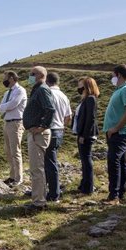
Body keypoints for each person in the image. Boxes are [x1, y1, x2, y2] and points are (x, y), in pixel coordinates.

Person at [103, 64, 126, 204]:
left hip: (121, 132)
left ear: (118, 75)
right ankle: (121, 192)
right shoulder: (122, 89)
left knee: (114, 161)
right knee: (121, 161)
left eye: (113, 75)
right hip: (117, 132)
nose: (112, 78)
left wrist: (116, 128)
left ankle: (114, 196)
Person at [22, 66, 55, 210]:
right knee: (36, 168)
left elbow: (50, 109)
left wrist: (42, 126)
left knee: (37, 168)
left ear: (40, 75)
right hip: (35, 133)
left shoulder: (42, 89)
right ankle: (38, 199)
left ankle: (39, 202)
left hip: (38, 134)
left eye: (32, 74)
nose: (29, 76)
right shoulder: (38, 89)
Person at [44, 72, 72, 202]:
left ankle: (54, 193)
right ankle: (51, 190)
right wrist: (62, 125)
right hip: (60, 129)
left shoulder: (48, 94)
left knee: (49, 162)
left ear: (47, 81)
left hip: (50, 129)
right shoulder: (63, 96)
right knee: (51, 160)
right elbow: (68, 117)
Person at [0, 71, 27, 186]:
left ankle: (19, 178)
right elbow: (1, 107)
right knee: (8, 151)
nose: (4, 80)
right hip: (7, 122)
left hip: (16, 123)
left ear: (11, 78)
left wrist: (4, 107)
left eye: (5, 78)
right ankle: (12, 175)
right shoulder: (7, 93)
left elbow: (12, 105)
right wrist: (4, 107)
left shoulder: (20, 90)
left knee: (15, 151)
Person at [74, 77, 99, 195]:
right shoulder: (85, 99)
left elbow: (90, 119)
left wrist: (84, 135)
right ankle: (84, 184)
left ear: (87, 87)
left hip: (86, 135)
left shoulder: (90, 99)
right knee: (84, 160)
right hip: (82, 133)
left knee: (86, 160)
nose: (79, 88)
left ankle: (88, 187)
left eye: (81, 86)